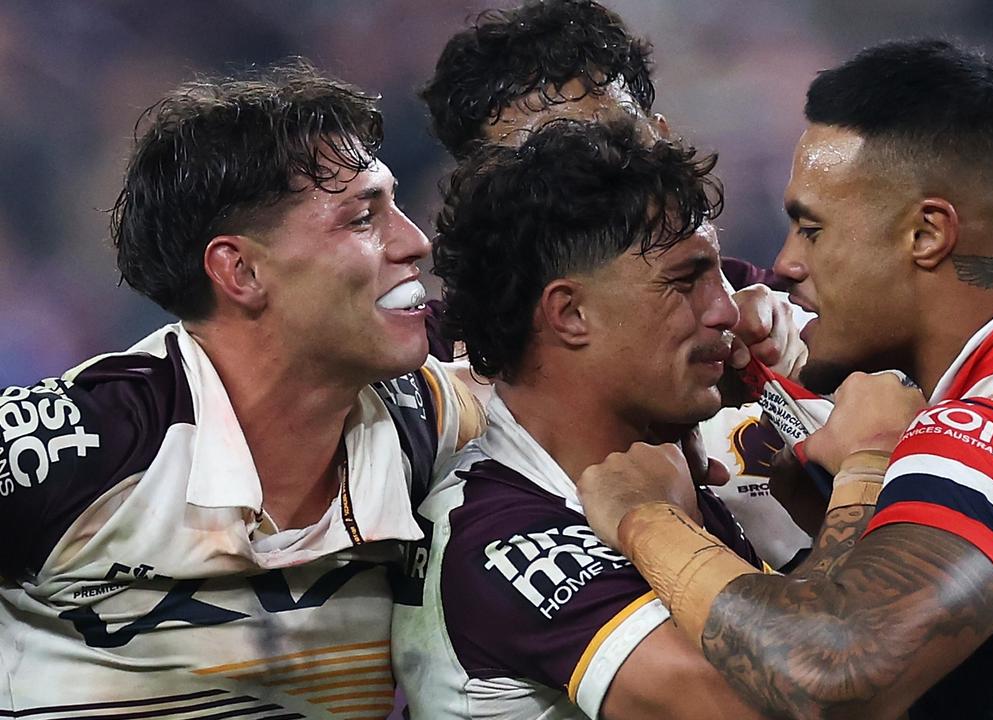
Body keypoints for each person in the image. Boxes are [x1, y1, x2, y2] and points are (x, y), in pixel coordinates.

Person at [576, 39, 993, 719]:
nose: (784, 262)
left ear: (928, 234)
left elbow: (834, 675)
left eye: (811, 229)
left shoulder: (986, 430)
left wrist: (648, 517)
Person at [0, 62, 483, 715]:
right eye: (363, 218)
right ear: (241, 271)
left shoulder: (429, 419)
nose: (416, 242)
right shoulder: (75, 449)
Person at [391, 119, 768, 720]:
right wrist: (863, 473)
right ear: (570, 314)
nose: (725, 310)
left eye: (719, 276)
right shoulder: (499, 538)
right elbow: (806, 697)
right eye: (685, 282)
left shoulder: (659, 464)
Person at [422, 0, 813, 570]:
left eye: (609, 139)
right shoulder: (426, 373)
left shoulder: (777, 318)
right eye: (537, 162)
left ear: (659, 136)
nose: (592, 173)